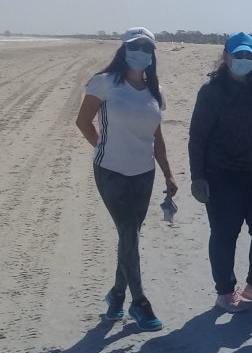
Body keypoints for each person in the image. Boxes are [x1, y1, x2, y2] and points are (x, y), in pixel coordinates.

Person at [75, 27, 177, 331]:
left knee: (129, 235)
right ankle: (139, 302)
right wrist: (104, 148)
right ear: (124, 49)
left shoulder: (154, 91)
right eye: (136, 47)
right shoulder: (105, 83)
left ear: (153, 55)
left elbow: (157, 137)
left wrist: (169, 173)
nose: (142, 53)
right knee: (128, 233)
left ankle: (117, 295)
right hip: (111, 172)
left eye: (148, 48)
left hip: (143, 173)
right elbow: (83, 122)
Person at [189, 32, 252, 312]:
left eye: (249, 55)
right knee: (224, 234)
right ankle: (225, 292)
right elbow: (198, 137)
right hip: (223, 176)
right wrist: (198, 177)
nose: (244, 60)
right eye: (238, 55)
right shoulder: (211, 91)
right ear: (226, 56)